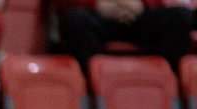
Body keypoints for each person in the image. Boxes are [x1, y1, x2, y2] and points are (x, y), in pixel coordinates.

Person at [56, 0, 195, 67]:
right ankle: (92, 81)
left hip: (141, 16)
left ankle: (166, 77)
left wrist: (143, 4)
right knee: (75, 20)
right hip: (98, 15)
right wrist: (96, 4)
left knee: (180, 17)